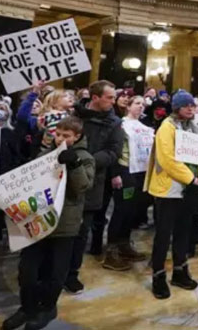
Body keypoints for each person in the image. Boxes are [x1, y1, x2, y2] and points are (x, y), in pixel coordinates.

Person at [4, 116, 94, 330]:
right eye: (58, 133)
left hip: (65, 222)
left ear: (77, 137)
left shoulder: (85, 157)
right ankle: (27, 307)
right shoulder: (46, 153)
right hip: (37, 219)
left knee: (56, 271)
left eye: (66, 135)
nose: (60, 138)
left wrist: (74, 164)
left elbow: (83, 187)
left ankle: (46, 307)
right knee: (28, 270)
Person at [146, 91, 198, 298]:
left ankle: (180, 271)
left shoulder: (193, 128)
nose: (191, 108)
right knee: (163, 235)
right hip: (169, 189)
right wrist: (191, 179)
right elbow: (167, 159)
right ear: (177, 108)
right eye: (186, 106)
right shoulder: (167, 127)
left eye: (193, 105)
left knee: (184, 233)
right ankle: (158, 276)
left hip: (189, 189)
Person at [65, 81, 123, 294]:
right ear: (95, 97)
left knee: (81, 232)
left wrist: (84, 160)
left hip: (91, 181)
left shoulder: (114, 123)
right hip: (62, 179)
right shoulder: (74, 116)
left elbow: (113, 151)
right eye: (109, 97)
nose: (113, 101)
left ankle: (72, 274)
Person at [101, 96, 149, 271]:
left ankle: (124, 244)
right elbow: (114, 149)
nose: (140, 107)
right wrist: (115, 173)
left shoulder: (144, 127)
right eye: (137, 103)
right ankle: (111, 252)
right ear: (128, 106)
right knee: (121, 209)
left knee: (132, 210)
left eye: (143, 104)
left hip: (139, 172)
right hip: (124, 171)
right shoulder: (121, 124)